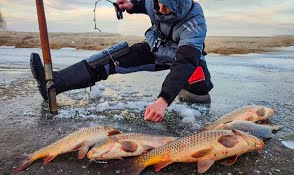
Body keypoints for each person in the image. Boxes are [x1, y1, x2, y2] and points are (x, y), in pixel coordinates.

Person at [30, 0, 213, 122]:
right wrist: (132, 4)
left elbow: (185, 61)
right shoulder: (155, 3)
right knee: (111, 58)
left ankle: (190, 92)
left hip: (185, 57)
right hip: (157, 48)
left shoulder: (195, 22)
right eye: (159, 3)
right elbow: (146, 3)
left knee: (198, 96)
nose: (161, 10)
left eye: (167, 7)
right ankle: (56, 82)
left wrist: (163, 100)